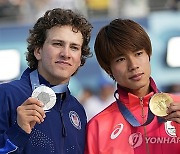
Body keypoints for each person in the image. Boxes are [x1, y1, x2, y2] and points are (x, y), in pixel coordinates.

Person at [0, 8, 92, 154]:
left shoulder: (78, 110)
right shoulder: (7, 95)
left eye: (74, 47)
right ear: (38, 51)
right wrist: (18, 132)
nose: (66, 54)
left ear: (80, 59)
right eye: (57, 44)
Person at [85, 18, 180, 154]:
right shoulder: (97, 127)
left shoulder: (177, 107)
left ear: (149, 54)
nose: (133, 65)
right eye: (121, 59)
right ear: (108, 69)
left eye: (138, 53)